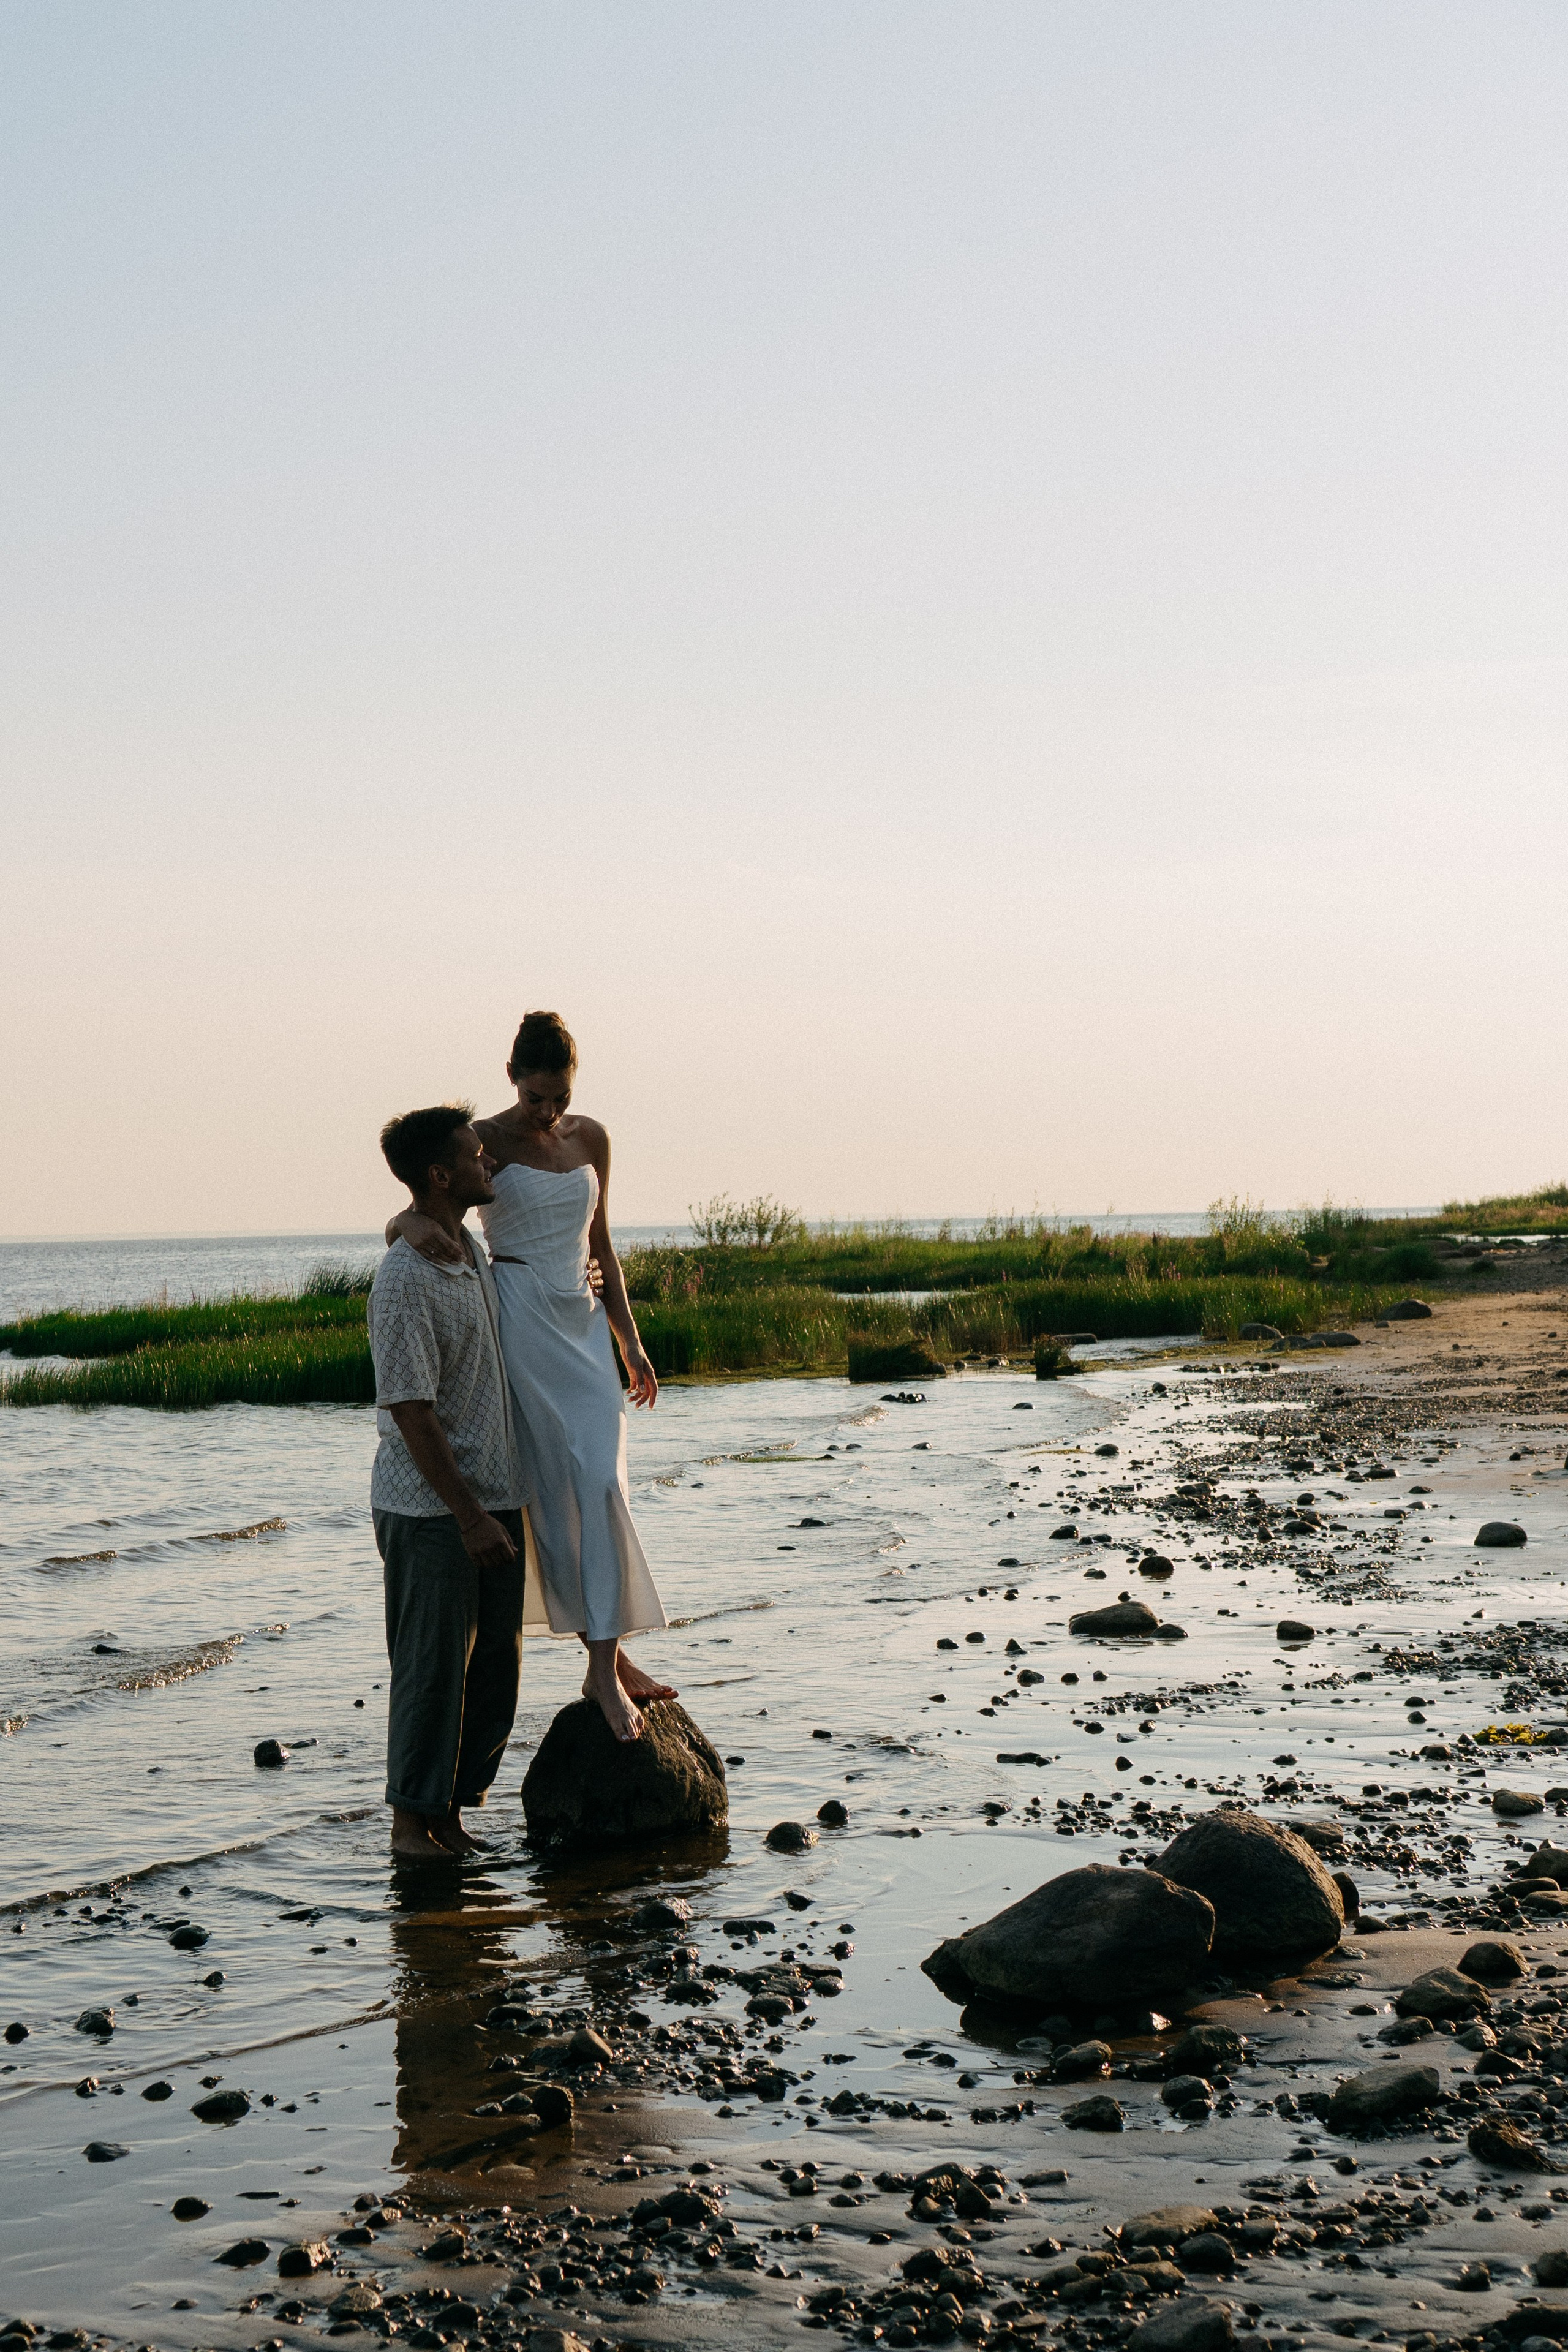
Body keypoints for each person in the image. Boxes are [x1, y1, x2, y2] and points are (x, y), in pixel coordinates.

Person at [388, 1011, 674, 1744]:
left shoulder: (593, 1139)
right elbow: (423, 1204)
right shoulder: (480, 1139)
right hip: (516, 1320)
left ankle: (605, 1659)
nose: (550, 1113)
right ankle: (604, 1662)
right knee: (554, 1494)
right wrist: (401, 1228)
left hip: (580, 1323)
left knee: (604, 1485)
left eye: (561, 1097)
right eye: (539, 1095)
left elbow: (601, 1244)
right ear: (512, 1075)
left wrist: (630, 1344)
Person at [368, 1104, 527, 1859]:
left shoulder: (465, 1250)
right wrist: (467, 1516)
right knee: (433, 1671)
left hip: (495, 1498)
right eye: (474, 1155)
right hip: (433, 1511)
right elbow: (410, 1410)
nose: (487, 1162)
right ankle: (410, 1827)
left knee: (494, 1667)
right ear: (440, 1174)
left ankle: (451, 1817)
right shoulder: (405, 1277)